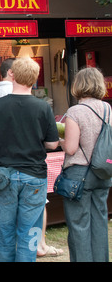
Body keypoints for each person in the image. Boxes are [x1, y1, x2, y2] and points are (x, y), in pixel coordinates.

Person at [0, 56, 60, 262]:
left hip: (5, 176)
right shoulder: (43, 108)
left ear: (11, 74)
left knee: (4, 231)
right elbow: (52, 144)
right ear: (35, 78)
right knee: (30, 230)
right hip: (34, 176)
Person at [59, 67, 112, 262]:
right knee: (99, 223)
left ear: (77, 85)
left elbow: (71, 148)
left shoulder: (76, 111)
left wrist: (59, 140)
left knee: (79, 226)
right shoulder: (107, 109)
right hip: (102, 171)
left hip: (79, 174)